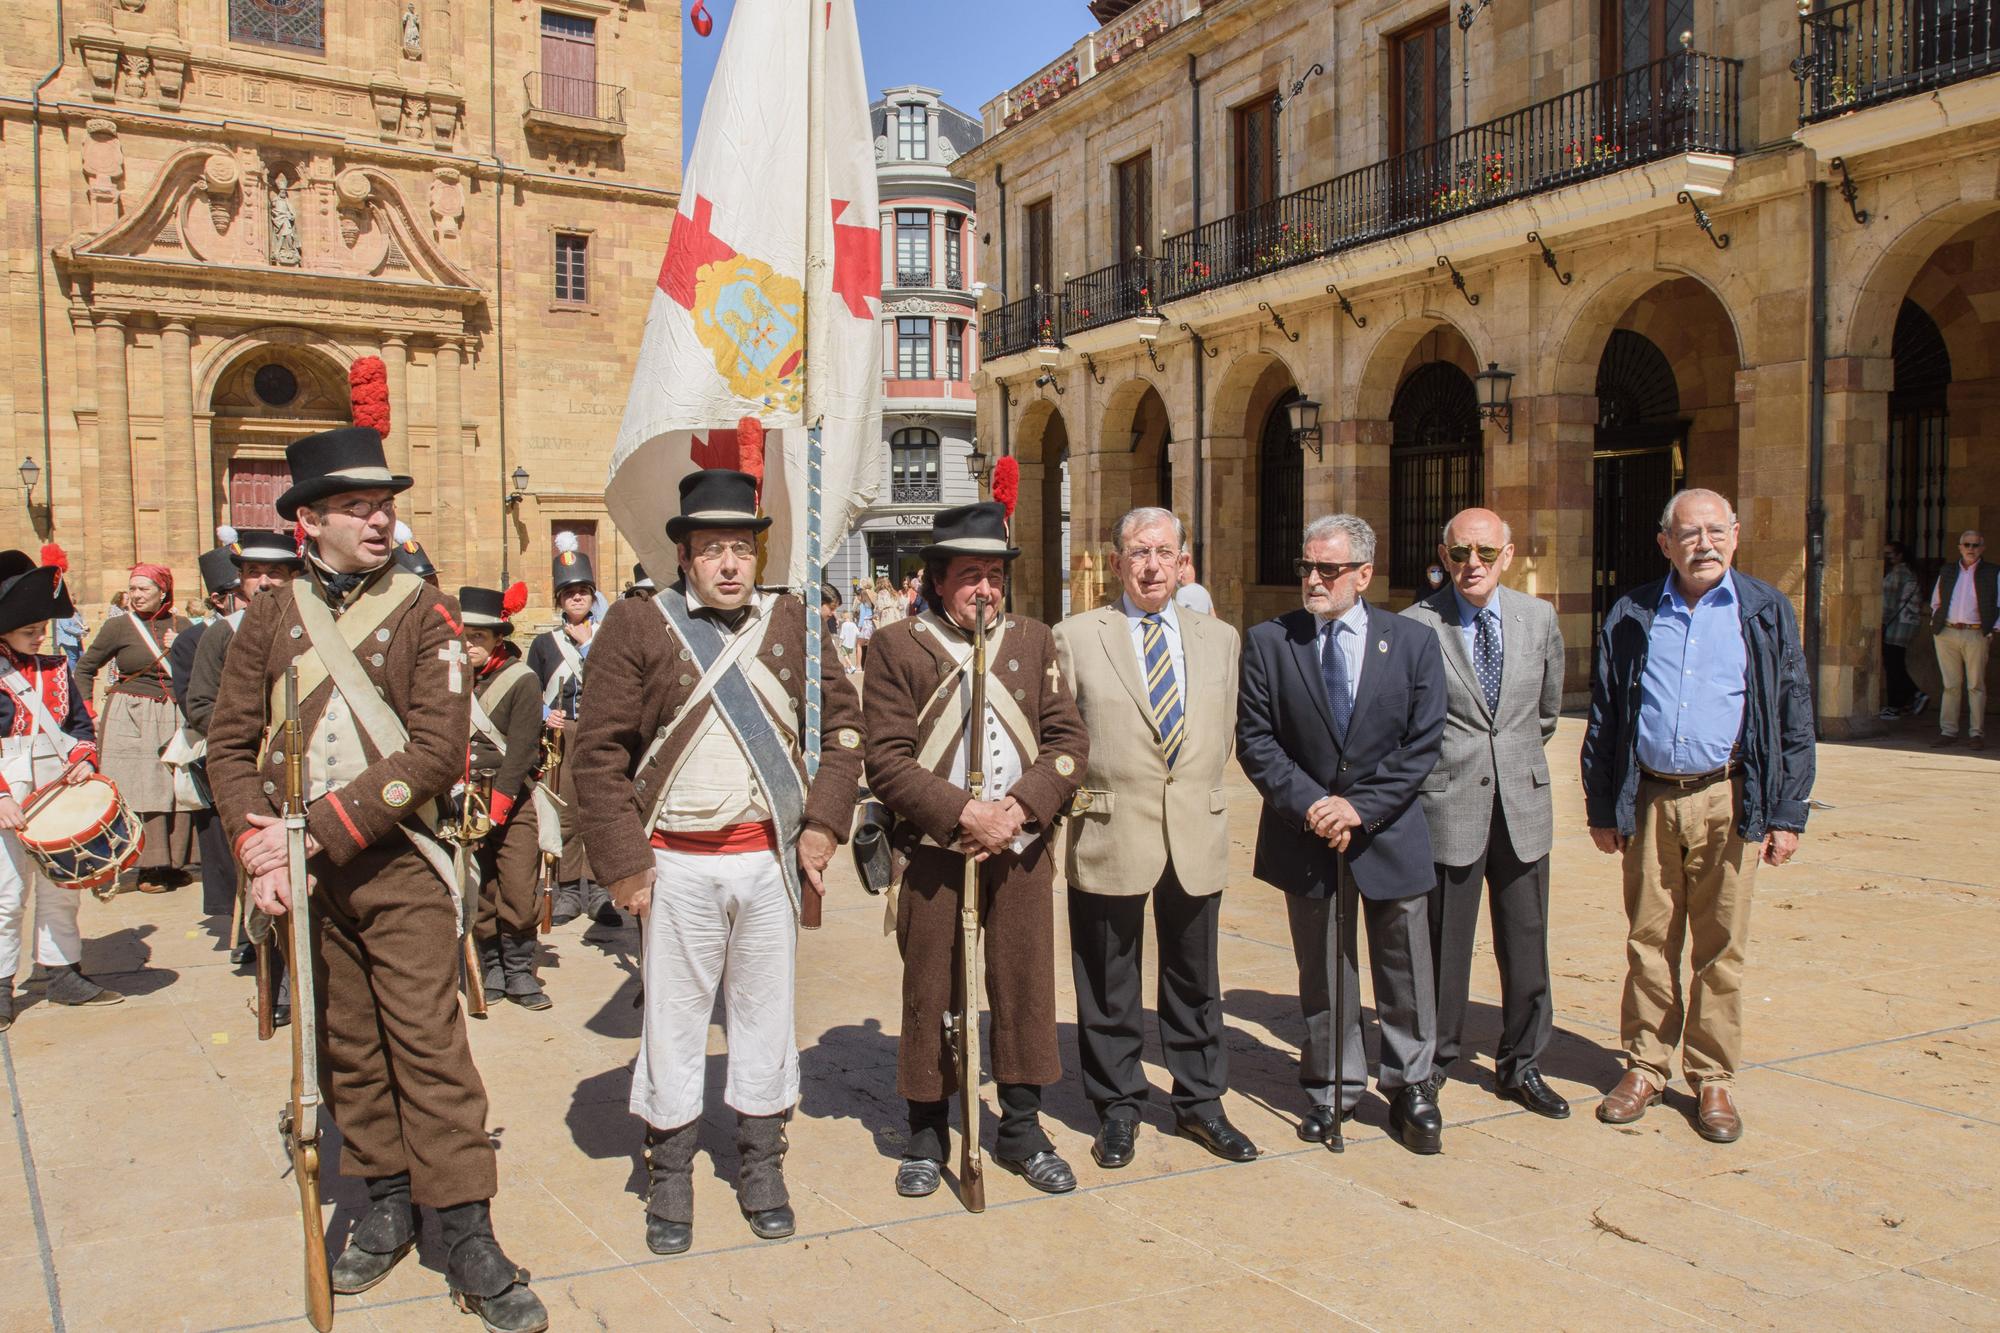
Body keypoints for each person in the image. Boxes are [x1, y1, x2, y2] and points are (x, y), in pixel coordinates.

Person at [207, 427, 546, 1331]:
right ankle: (388, 1199)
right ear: (308, 520)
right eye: (358, 507)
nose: (378, 519)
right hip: (306, 881)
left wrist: (309, 832)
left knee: (430, 1051)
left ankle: (467, 1228)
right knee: (347, 1048)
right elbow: (229, 743)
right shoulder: (269, 618)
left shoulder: (424, 609)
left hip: (399, 864)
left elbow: (437, 752)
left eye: (384, 504)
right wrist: (254, 846)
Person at [574, 468, 864, 1255]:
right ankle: (668, 1171)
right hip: (673, 865)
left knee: (767, 1018)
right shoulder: (638, 626)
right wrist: (624, 863)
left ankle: (761, 1162)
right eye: (713, 549)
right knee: (671, 1022)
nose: (730, 564)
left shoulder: (793, 620)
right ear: (685, 556)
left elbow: (842, 729)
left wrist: (825, 822)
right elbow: (596, 753)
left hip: (766, 859)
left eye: (742, 547)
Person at [864, 501, 1089, 1198]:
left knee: (1024, 982)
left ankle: (1022, 1127)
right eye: (969, 575)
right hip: (935, 847)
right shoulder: (899, 646)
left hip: (1019, 847)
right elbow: (888, 760)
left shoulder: (1034, 640)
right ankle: (928, 1130)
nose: (985, 588)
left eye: (994, 574)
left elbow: (1068, 743)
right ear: (937, 581)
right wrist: (964, 812)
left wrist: (1016, 809)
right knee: (931, 986)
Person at [1582, 488, 1815, 1145]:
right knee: (1649, 940)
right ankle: (1646, 1066)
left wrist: (1788, 810)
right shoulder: (1632, 611)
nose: (1703, 543)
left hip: (1729, 794)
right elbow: (1606, 714)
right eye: (1688, 533)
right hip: (1650, 795)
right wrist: (1603, 803)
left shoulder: (1765, 610)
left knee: (1721, 943)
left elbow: (1794, 712)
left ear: (1736, 535)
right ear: (1665, 543)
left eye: (1715, 531)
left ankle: (1711, 1075)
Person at [1236, 513, 1447, 1155]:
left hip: (1388, 832)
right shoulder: (1272, 641)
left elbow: (1423, 742)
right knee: (1325, 970)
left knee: (1404, 964)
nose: (1313, 580)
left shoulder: (1411, 642)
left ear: (1363, 574)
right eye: (1307, 567)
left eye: (1328, 570)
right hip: (1306, 835)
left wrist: (1359, 809)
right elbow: (1257, 739)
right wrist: (1315, 805)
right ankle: (1333, 1084)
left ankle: (1412, 1083)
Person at [1054, 507, 1255, 1170]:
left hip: (1195, 829)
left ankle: (1201, 1102)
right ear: (1115, 563)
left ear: (1182, 561)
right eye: (1138, 552)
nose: (1150, 565)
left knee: (1195, 977)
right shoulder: (1078, 635)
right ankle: (1118, 1106)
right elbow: (1064, 736)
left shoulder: (1219, 638)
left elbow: (1222, 730)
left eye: (1163, 552)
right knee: (1109, 980)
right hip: (1112, 829)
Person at [1400, 509, 1568, 1119]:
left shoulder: (1539, 618)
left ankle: (1523, 1064)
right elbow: (1406, 725)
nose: (1474, 564)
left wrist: (1511, 762)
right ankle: (1434, 1065)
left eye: (1487, 553)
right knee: (1444, 946)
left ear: (1510, 554)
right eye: (1461, 553)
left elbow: (1545, 713)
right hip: (1449, 806)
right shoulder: (1417, 626)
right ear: (1444, 557)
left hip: (1522, 804)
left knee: (1527, 945)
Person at [0, 549, 120, 1027]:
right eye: (30, 629)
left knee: (61, 889)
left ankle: (62, 972)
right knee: (7, 895)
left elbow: (77, 726)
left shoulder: (55, 668)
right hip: (9, 792)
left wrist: (82, 761)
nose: (41, 635)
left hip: (56, 791)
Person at [183, 529, 303, 970]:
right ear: (241, 583)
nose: (265, 582)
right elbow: (199, 703)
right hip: (251, 767)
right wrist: (247, 733)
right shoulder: (223, 634)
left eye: (276, 572)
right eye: (255, 573)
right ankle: (263, 946)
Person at [77, 560, 195, 893]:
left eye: (143, 589)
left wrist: (183, 646)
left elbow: (203, 668)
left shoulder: (184, 625)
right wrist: (89, 713)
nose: (135, 595)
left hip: (174, 715)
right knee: (141, 790)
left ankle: (173, 864)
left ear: (163, 592)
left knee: (176, 791)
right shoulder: (119, 627)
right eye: (132, 589)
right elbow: (84, 669)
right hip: (131, 714)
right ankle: (147, 868)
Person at [461, 583, 550, 1011]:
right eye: (463, 635)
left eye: (478, 636)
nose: (469, 644)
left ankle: (518, 969)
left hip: (510, 799)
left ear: (499, 637)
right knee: (478, 888)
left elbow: (522, 750)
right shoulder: (446, 678)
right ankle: (491, 964)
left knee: (516, 886)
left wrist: (497, 805)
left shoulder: (521, 680)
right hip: (463, 800)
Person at [528, 534, 612, 925]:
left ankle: (597, 891)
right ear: (560, 601)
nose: (577, 599)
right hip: (560, 738)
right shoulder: (544, 643)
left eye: (583, 592)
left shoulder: (607, 638)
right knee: (563, 814)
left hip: (598, 733)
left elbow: (617, 681)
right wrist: (546, 713)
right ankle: (564, 890)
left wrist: (587, 648)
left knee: (597, 810)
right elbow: (528, 687)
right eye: (569, 594)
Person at [167, 538, 250, 923]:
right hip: (217, 749)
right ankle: (237, 919)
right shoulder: (192, 640)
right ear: (222, 600)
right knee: (224, 841)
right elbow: (191, 701)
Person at [1929, 530, 1997, 749]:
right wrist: (1936, 625)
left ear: (1982, 548)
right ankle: (1948, 731)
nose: (1971, 549)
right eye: (1966, 544)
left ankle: (1976, 733)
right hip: (1947, 632)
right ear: (1959, 547)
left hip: (1976, 632)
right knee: (1950, 685)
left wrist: (1990, 630)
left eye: (1975, 545)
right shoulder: (1948, 571)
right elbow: (1936, 601)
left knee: (1975, 685)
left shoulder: (1992, 572)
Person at [1880, 541, 1925, 721]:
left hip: (1895, 626)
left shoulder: (1898, 573)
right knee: (1895, 663)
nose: (1886, 558)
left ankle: (1907, 698)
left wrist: (1880, 624)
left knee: (1893, 665)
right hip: (1907, 625)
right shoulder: (1909, 573)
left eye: (1889, 554)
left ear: (1899, 555)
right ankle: (1903, 702)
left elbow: (1888, 604)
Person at [1174, 543, 1214, 616]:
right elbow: (1213, 615)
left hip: (1190, 626)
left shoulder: (1182, 592)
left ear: (1182, 576)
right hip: (1205, 626)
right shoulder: (1204, 591)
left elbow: (1178, 615)